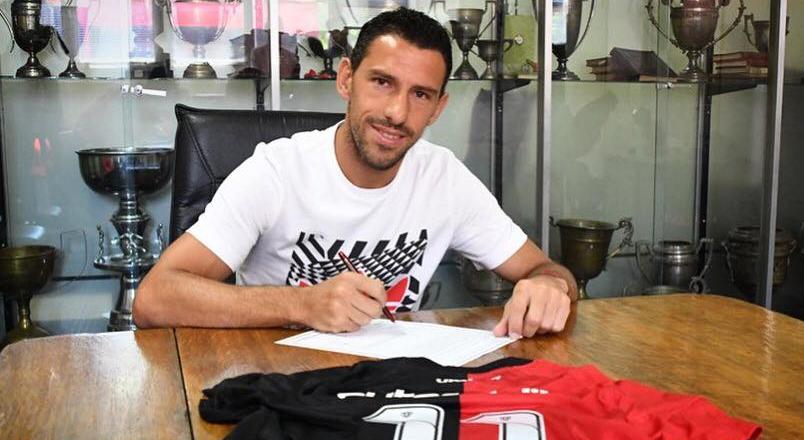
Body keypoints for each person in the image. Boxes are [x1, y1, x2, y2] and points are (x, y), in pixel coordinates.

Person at [133, 8, 578, 338]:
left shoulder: (444, 178)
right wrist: (302, 304)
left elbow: (548, 270)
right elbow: (154, 298)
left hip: (392, 390)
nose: (397, 112)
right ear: (346, 79)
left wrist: (548, 286)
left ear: (438, 108)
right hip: (276, 389)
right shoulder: (275, 172)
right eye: (382, 82)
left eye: (420, 95)